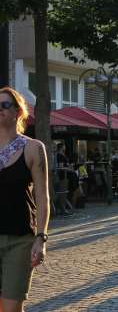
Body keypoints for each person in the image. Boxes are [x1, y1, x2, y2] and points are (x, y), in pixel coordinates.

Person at [0, 87, 50, 312]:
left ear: (18, 112)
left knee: (10, 307)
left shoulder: (32, 148)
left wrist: (41, 238)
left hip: (20, 240)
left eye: (5, 105)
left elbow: (42, 195)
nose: (0, 109)